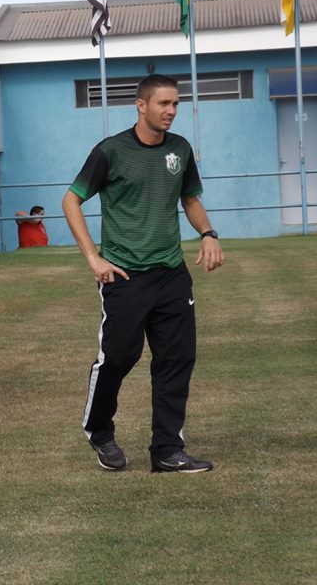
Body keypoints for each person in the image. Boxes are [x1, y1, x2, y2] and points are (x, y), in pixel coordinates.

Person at [61, 74, 224, 474]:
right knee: (118, 357)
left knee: (176, 359)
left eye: (175, 105)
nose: (170, 112)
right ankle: (99, 431)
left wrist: (208, 233)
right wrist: (94, 259)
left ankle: (167, 450)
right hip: (124, 275)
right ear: (141, 105)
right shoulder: (111, 151)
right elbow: (71, 200)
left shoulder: (180, 150)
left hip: (171, 273)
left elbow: (190, 199)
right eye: (163, 104)